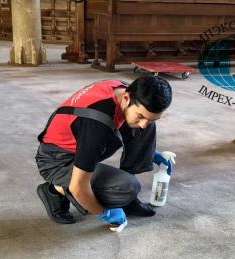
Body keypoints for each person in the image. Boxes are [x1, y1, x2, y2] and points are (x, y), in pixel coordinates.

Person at [35, 76, 173, 226]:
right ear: (126, 98)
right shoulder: (96, 125)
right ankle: (54, 190)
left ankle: (128, 202)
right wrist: (105, 213)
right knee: (127, 188)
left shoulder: (125, 90)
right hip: (55, 160)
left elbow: (142, 122)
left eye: (153, 118)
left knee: (146, 126)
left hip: (80, 142)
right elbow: (78, 187)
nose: (143, 124)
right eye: (140, 116)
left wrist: (149, 152)